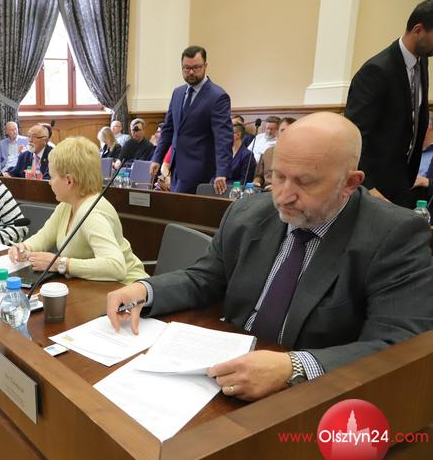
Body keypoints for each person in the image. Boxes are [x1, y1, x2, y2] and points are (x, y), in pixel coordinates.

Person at [106, 112, 433, 401]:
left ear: (349, 183)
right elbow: (204, 278)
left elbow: (398, 344)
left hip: (314, 398)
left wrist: (295, 367)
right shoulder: (248, 212)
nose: (284, 196)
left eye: (305, 182)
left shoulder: (394, 236)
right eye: (278, 176)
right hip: (225, 368)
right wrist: (146, 290)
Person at [8, 137, 148, 284]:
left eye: (52, 177)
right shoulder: (68, 204)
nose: (49, 182)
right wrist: (24, 248)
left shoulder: (93, 215)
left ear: (69, 181)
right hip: (96, 287)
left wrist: (61, 264)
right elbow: (43, 237)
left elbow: (116, 267)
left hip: (128, 289)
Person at [345, 0, 433, 208]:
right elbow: (354, 136)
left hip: (402, 181)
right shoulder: (376, 71)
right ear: (418, 30)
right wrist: (369, 187)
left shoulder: (422, 61)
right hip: (373, 187)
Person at [150, 45, 233, 194]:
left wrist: (222, 172)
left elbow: (223, 138)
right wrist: (157, 158)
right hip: (176, 169)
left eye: (196, 67)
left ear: (205, 66)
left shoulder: (217, 96)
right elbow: (168, 129)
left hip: (202, 171)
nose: (191, 72)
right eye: (186, 68)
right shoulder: (178, 93)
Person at [254, 117, 295, 191]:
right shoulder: (268, 152)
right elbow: (259, 176)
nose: (286, 133)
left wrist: (278, 187)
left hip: (286, 191)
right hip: (265, 190)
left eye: (290, 130)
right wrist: (256, 182)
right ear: (277, 133)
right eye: (283, 130)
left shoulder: (300, 155)